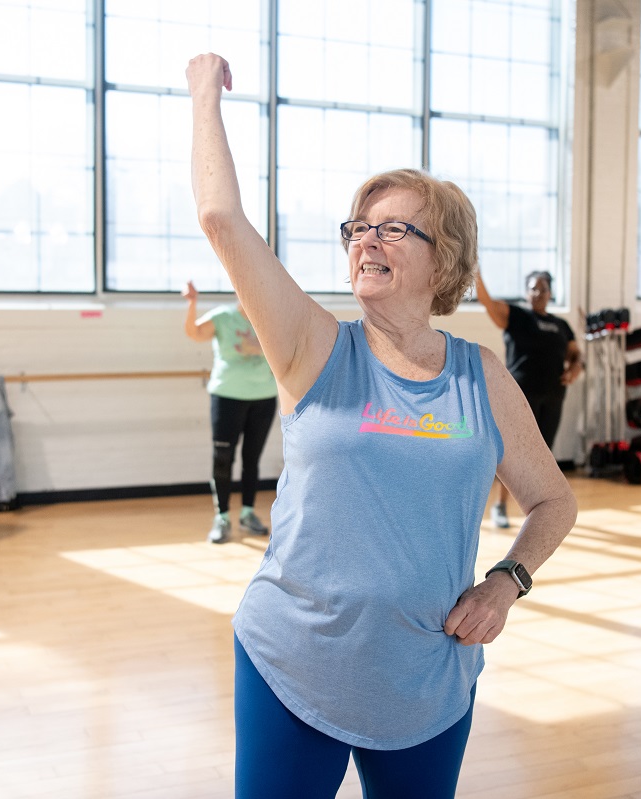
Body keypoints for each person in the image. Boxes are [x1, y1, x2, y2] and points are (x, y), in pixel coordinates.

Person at [187, 53, 577, 798]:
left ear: (446, 259)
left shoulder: (482, 377)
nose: (367, 239)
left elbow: (555, 500)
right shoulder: (312, 347)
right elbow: (220, 218)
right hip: (292, 663)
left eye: (395, 229)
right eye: (359, 226)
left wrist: (506, 582)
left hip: (425, 677)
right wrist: (205, 89)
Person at [475, 269, 583, 529]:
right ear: (526, 292)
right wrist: (477, 273)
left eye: (542, 289)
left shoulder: (561, 326)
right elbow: (487, 302)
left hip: (553, 397)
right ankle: (500, 506)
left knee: (544, 454)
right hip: (520, 397)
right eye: (533, 288)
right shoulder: (517, 316)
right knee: (511, 456)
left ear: (550, 293)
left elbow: (576, 356)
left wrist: (574, 369)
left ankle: (539, 509)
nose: (537, 293)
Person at [182, 279, 278, 544]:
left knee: (252, 459)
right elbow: (194, 333)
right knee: (223, 458)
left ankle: (248, 513)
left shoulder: (270, 319)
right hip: (227, 397)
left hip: (264, 397)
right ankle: (222, 517)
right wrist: (192, 303)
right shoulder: (223, 317)